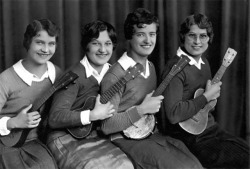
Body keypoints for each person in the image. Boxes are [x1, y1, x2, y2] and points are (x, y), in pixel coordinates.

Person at [101, 8, 203, 169]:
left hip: (151, 133)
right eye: (141, 34)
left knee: (194, 164)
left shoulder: (151, 67)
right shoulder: (115, 75)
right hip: (125, 139)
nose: (148, 40)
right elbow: (106, 126)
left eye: (152, 34)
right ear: (129, 36)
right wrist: (141, 110)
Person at [160, 13, 250, 168]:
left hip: (210, 129)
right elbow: (173, 115)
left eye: (203, 36)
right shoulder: (175, 68)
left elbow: (203, 106)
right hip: (188, 137)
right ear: (183, 37)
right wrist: (207, 96)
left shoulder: (204, 63)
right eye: (192, 35)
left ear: (209, 38)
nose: (197, 41)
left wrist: (210, 101)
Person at [46, 20, 134, 169]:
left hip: (97, 136)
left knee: (125, 166)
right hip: (64, 137)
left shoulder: (115, 73)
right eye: (95, 43)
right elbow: (54, 118)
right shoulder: (73, 75)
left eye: (107, 44)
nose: (102, 49)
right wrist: (92, 115)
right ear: (86, 45)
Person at [0, 19, 61, 169]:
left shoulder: (58, 75)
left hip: (35, 141)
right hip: (5, 141)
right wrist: (13, 122)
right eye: (40, 42)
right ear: (28, 42)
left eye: (51, 44)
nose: (46, 50)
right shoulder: (6, 79)